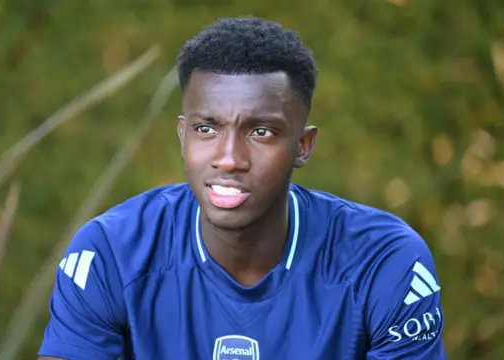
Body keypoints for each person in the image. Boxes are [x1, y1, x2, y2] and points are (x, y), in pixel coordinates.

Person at [37, 16, 446, 360]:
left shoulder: (384, 263)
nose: (229, 158)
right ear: (183, 137)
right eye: (206, 128)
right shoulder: (111, 254)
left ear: (302, 146)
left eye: (261, 131)